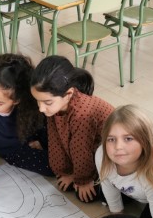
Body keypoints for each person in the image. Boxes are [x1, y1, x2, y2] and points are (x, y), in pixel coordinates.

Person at [30, 55, 114, 203]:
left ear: (68, 94)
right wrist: (65, 171)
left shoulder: (82, 114)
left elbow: (81, 150)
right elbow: (55, 138)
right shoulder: (55, 105)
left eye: (47, 102)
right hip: (86, 147)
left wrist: (82, 180)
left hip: (109, 154)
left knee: (87, 195)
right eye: (38, 101)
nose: (41, 108)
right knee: (65, 184)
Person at [0, 53, 52, 195]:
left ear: (16, 100)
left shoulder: (28, 102)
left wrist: (41, 141)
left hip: (31, 134)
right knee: (53, 166)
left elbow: (42, 122)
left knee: (61, 148)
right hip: (12, 149)